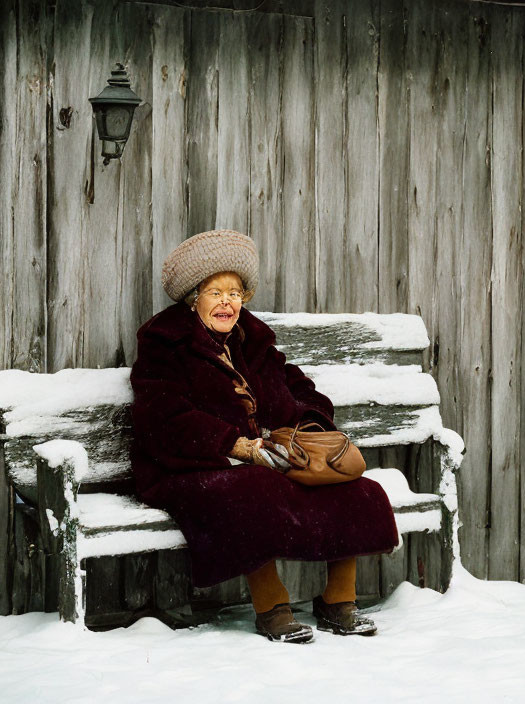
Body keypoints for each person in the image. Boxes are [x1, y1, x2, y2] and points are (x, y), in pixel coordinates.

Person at [130, 229, 399, 643]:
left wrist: (308, 429)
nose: (227, 302)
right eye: (215, 292)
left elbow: (298, 388)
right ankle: (272, 609)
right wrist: (235, 445)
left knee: (353, 487)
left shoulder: (251, 339)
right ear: (193, 299)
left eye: (235, 293)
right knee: (253, 490)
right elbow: (162, 417)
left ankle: (339, 602)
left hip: (265, 454)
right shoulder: (165, 344)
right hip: (192, 463)